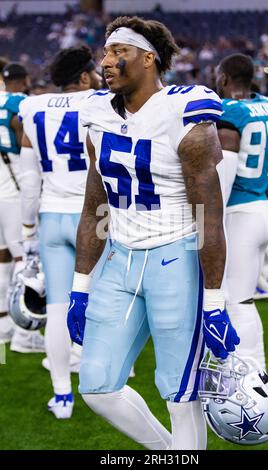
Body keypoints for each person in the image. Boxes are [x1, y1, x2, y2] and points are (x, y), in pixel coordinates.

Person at [67, 16, 239, 450]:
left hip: (175, 258)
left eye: (117, 52)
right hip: (120, 257)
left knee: (181, 396)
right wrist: (80, 285)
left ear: (149, 59)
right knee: (97, 386)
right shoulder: (95, 113)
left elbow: (209, 214)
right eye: (105, 52)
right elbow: (95, 204)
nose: (105, 61)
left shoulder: (185, 110)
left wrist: (215, 300)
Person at [18, 46, 101, 419]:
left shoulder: (32, 107)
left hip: (52, 214)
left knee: (56, 309)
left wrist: (27, 227)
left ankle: (62, 396)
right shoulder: (102, 101)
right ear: (84, 77)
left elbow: (29, 178)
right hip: (95, 215)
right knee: (101, 304)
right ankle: (104, 382)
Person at [215, 53, 268, 370]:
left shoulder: (230, 111)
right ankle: (254, 369)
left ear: (225, 78)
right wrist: (258, 199)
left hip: (241, 214)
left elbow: (224, 173)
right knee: (242, 300)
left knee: (237, 301)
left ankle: (252, 375)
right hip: (262, 208)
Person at [0, 62, 45, 353]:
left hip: (0, 185)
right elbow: (28, 143)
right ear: (25, 79)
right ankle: (24, 333)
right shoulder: (20, 103)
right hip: (15, 190)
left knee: (3, 258)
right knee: (23, 260)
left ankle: (4, 326)